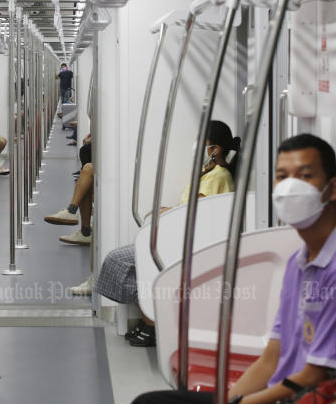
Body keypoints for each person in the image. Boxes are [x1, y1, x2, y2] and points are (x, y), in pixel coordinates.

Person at [127, 133, 336, 404]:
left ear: (332, 188)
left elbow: (316, 376)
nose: (291, 187)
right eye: (282, 176)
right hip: (277, 395)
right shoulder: (300, 261)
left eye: (304, 176)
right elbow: (272, 357)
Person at [95, 121, 240, 344]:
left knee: (119, 260)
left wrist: (167, 213)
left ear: (215, 150)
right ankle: (151, 318)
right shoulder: (205, 173)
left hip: (191, 243)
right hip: (179, 237)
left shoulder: (219, 177)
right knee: (128, 265)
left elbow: (197, 212)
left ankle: (152, 323)